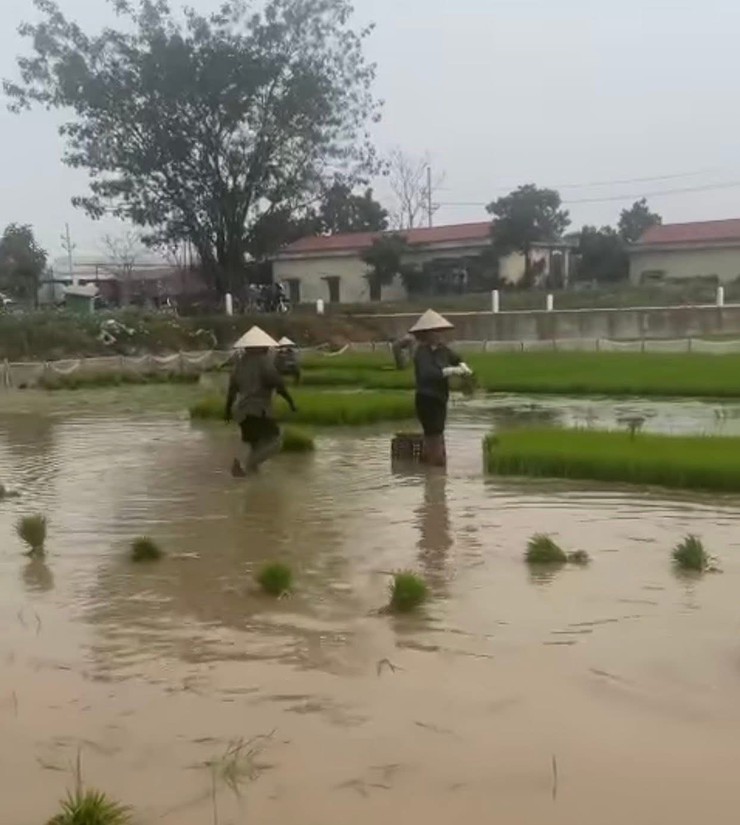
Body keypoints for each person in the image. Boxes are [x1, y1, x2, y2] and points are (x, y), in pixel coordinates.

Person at [224, 326, 297, 476]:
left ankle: (252, 481)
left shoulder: (239, 365)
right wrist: (291, 403)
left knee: (256, 445)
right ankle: (246, 467)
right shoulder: (264, 362)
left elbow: (232, 391)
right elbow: (278, 384)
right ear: (262, 346)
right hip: (259, 410)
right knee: (275, 442)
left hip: (242, 412)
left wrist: (227, 411)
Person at [410, 309, 473, 467]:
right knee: (434, 434)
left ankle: (430, 471)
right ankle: (435, 474)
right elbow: (427, 374)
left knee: (437, 433)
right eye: (435, 332)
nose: (438, 335)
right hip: (426, 399)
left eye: (439, 332)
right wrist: (450, 371)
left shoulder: (442, 350)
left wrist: (462, 366)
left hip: (440, 397)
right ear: (426, 334)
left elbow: (455, 358)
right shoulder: (421, 352)